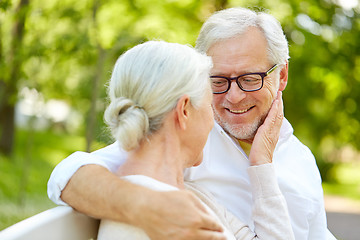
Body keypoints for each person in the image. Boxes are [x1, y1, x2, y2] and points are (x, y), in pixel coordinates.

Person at [48, 7, 334, 240]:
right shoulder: (184, 141)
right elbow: (67, 175)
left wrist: (262, 162)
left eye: (249, 79)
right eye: (219, 81)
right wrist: (145, 206)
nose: (234, 97)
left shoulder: (301, 159)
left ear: (281, 75)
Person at [94, 40, 294, 240]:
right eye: (209, 105)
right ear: (184, 111)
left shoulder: (193, 195)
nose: (212, 121)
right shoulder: (167, 220)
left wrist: (262, 161)